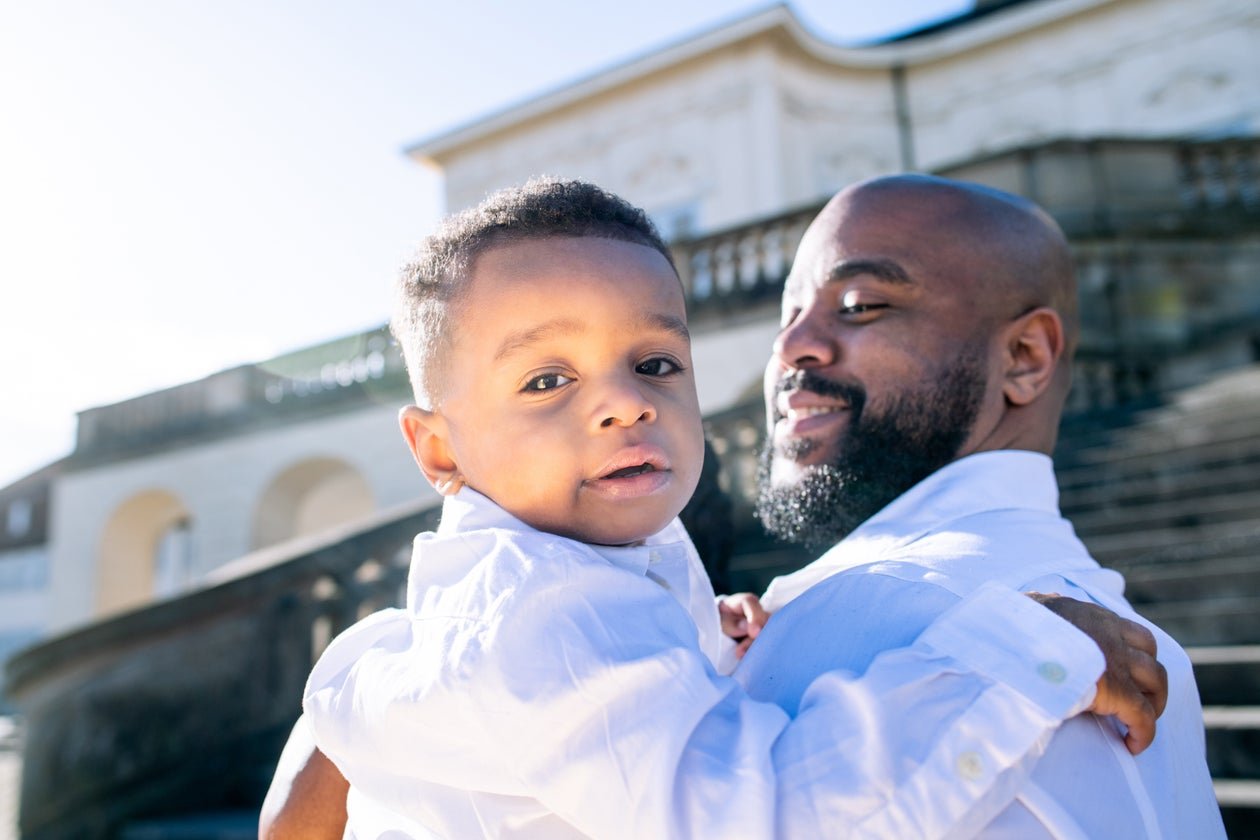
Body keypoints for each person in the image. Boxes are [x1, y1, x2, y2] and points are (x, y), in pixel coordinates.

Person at [285, 178, 1166, 839]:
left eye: (656, 364)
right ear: (439, 450)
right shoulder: (549, 607)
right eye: (548, 380)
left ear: (1027, 356)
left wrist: (696, 640)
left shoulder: (578, 586)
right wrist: (1028, 653)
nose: (624, 404)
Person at [742, 173, 1224, 836]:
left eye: (857, 304)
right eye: (787, 314)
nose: (791, 347)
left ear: (1025, 357)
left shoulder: (945, 624)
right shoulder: (1102, 640)